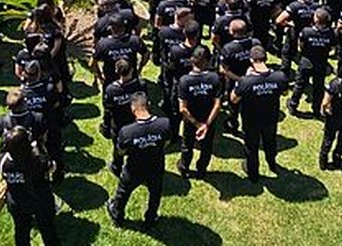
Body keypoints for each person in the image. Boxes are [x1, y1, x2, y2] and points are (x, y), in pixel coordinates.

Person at [106, 92, 170, 227]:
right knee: (155, 193)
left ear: (132, 109)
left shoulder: (127, 131)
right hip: (156, 166)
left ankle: (117, 215)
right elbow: (166, 143)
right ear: (149, 105)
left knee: (123, 192)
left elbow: (121, 152)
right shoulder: (164, 123)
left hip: (134, 169)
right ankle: (151, 218)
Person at [230, 45, 287, 181]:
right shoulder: (279, 77)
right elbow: (285, 92)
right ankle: (272, 164)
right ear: (266, 58)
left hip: (251, 120)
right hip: (271, 118)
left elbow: (233, 99)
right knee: (270, 142)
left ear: (251, 60)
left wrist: (245, 78)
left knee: (251, 147)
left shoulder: (246, 81)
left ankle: (253, 174)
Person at [0, 127, 60, 246]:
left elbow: (1, 175)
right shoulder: (39, 160)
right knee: (47, 229)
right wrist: (42, 149)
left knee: (21, 231)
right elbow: (53, 167)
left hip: (17, 202)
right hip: (41, 201)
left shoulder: (3, 161)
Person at [176, 46, 221, 177]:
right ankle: (201, 170)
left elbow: (182, 108)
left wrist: (197, 124)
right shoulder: (214, 78)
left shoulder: (184, 81)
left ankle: (184, 168)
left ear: (191, 60)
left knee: (187, 145)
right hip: (209, 119)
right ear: (207, 61)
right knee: (206, 147)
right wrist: (206, 124)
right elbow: (217, 106)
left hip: (191, 120)